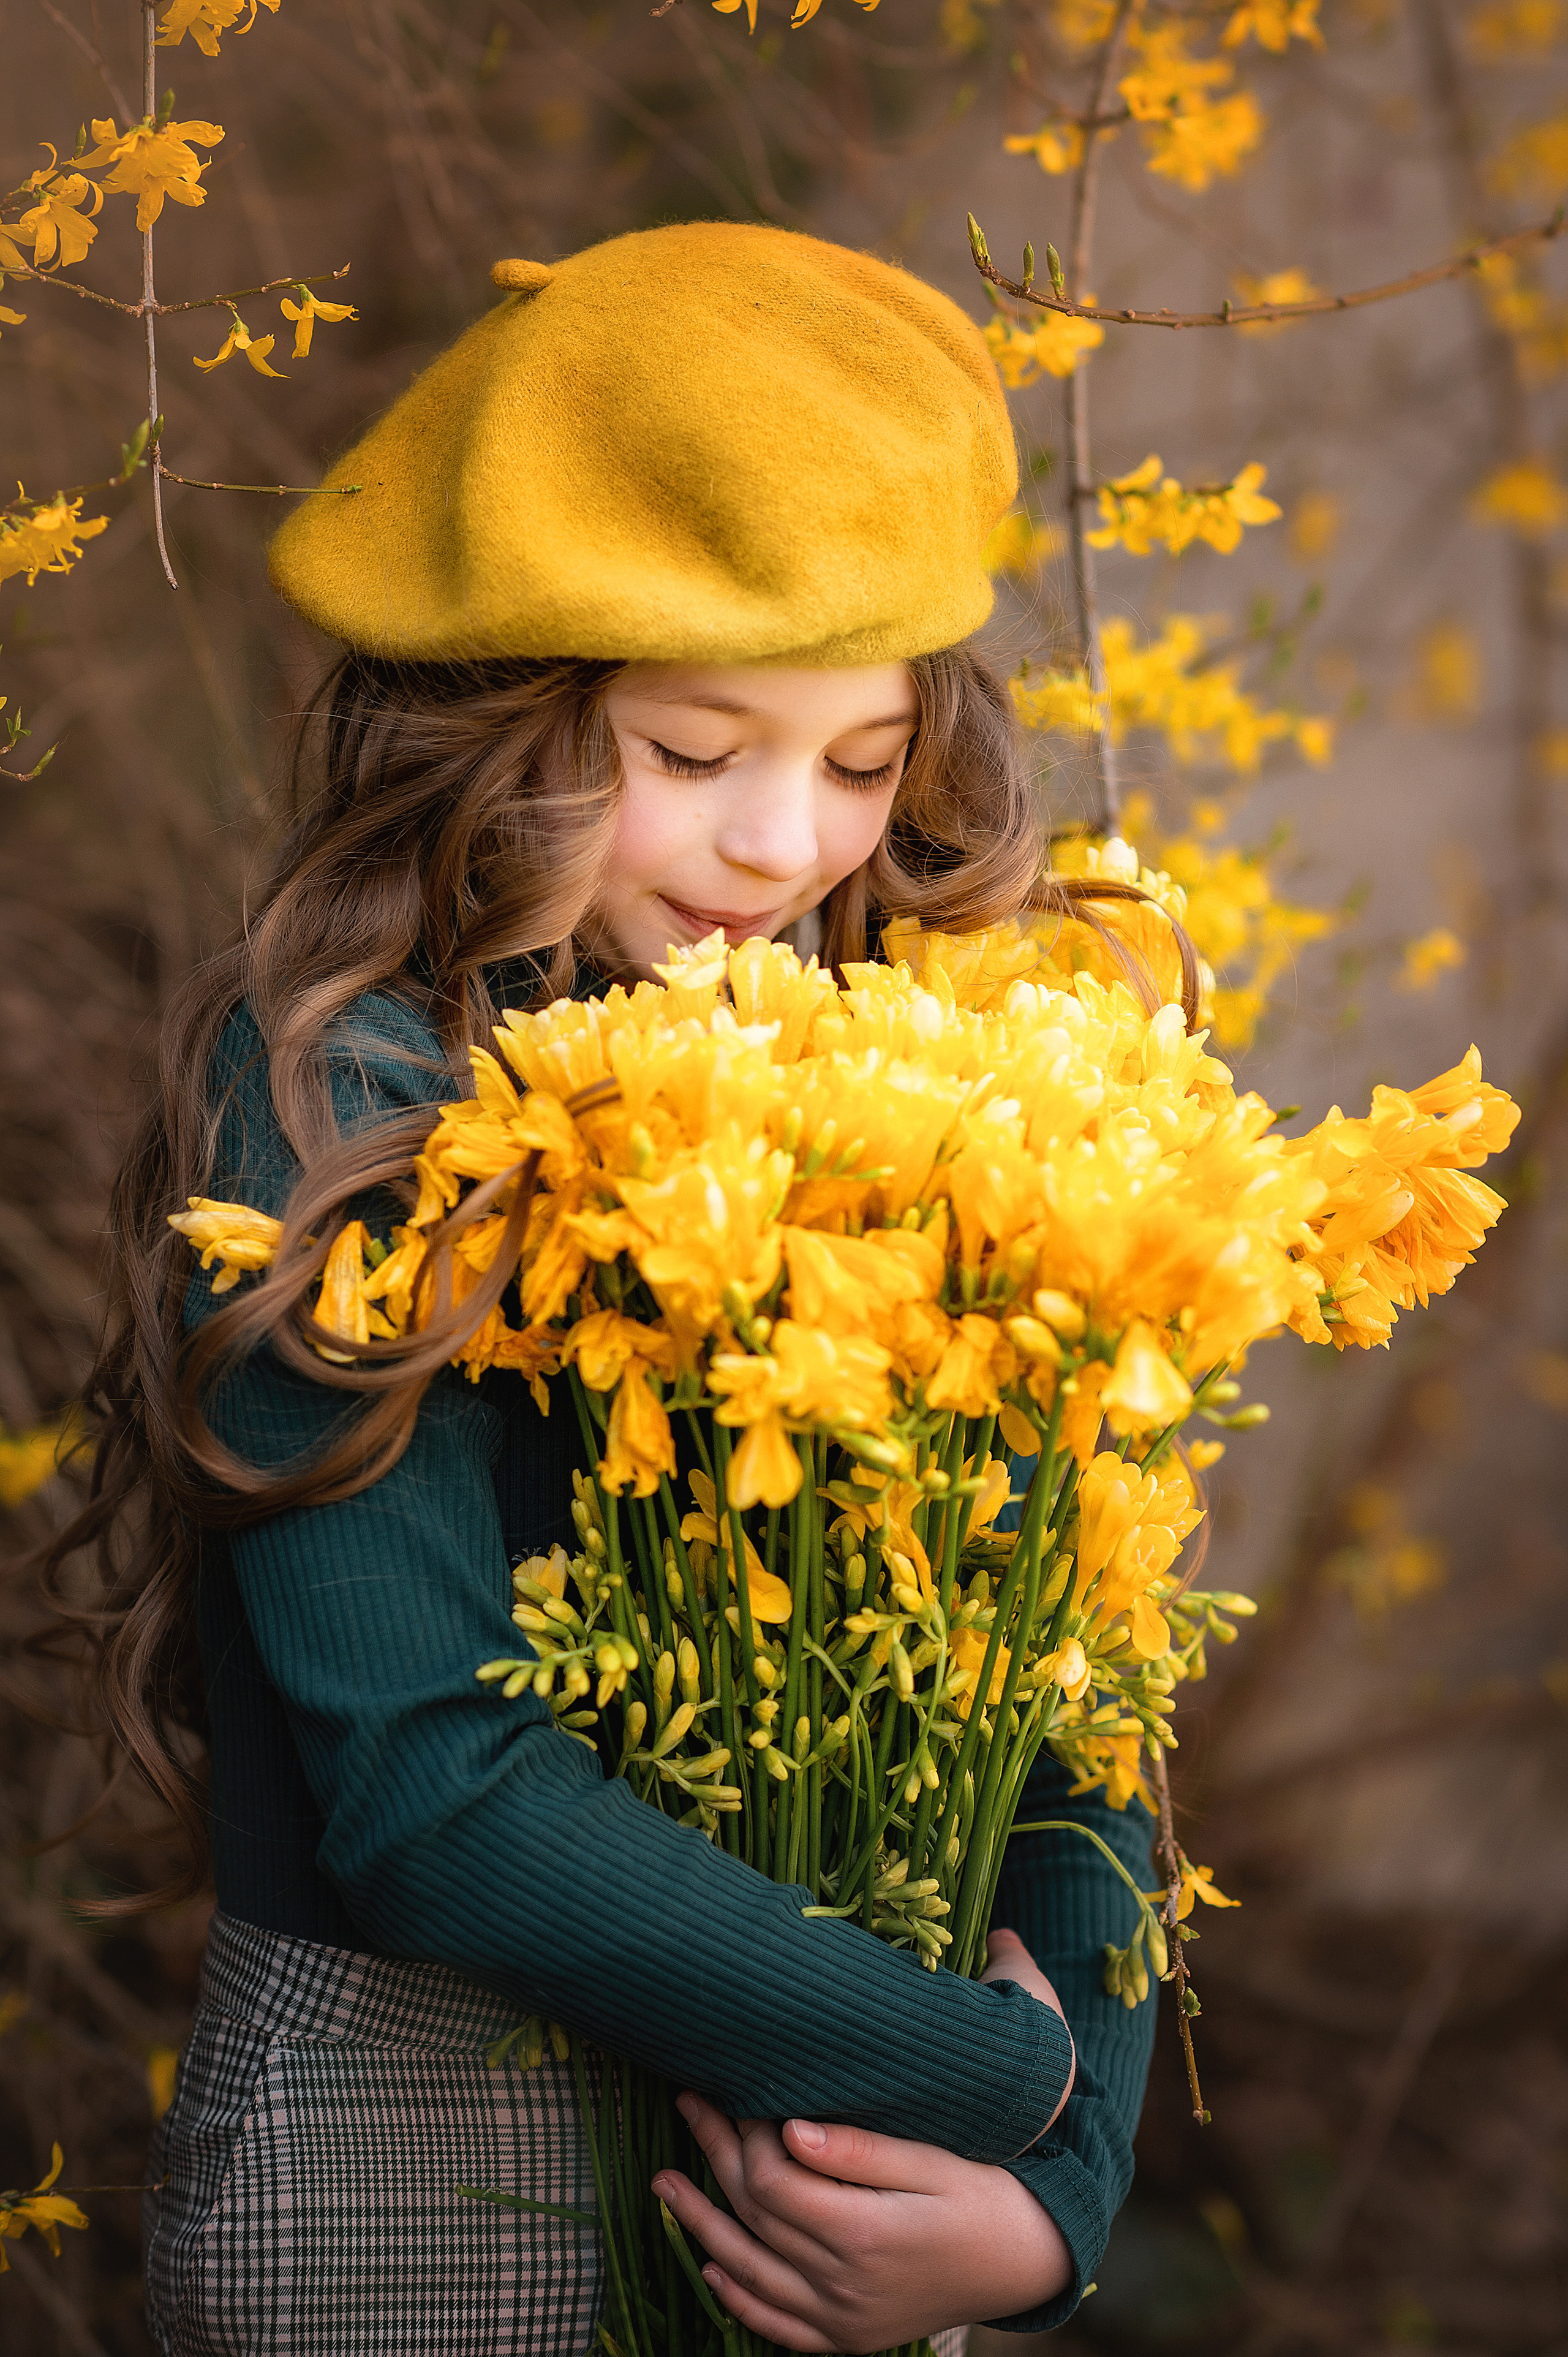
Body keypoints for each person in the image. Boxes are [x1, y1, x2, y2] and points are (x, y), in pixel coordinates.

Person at [45, 222, 1162, 2356]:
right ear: (497, 715)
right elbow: (436, 1803)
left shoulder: (935, 1068)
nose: (779, 847)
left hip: (871, 2220)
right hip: (418, 2176)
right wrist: (996, 2082)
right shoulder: (340, 1092)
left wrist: (1054, 2205)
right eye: (691, 748)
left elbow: (1069, 1669)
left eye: (858, 763)